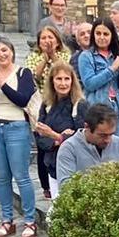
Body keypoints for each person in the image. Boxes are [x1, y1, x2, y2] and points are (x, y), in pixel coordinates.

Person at [0, 35, 40, 237]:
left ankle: (30, 221)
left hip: (16, 125)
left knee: (21, 175)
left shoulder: (23, 73)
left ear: (12, 51)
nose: (1, 54)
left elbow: (22, 99)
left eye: (4, 50)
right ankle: (7, 220)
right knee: (2, 177)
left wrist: (3, 84)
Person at [31, 61, 81, 200]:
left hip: (74, 166)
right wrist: (58, 139)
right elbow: (40, 135)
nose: (63, 83)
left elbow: (82, 136)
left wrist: (54, 135)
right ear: (52, 82)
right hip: (53, 164)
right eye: (59, 79)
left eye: (67, 79)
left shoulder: (80, 104)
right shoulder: (47, 104)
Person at [56, 101, 119, 182]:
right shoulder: (69, 148)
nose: (108, 140)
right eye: (102, 135)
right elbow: (65, 187)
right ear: (87, 127)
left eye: (111, 134)